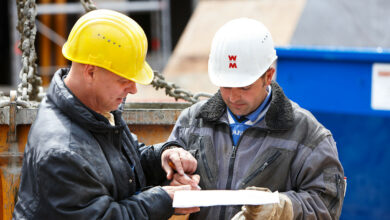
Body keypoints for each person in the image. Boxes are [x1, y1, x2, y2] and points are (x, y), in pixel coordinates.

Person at [13, 9, 200, 220]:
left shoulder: (96, 110)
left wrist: (163, 156)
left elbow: (123, 164)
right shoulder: (62, 152)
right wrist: (163, 200)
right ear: (91, 72)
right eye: (124, 80)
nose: (133, 89)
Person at [168, 18, 345, 219]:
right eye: (225, 85)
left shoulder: (307, 134)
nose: (233, 97)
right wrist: (172, 184)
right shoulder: (191, 122)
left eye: (244, 87)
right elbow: (156, 187)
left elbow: (326, 204)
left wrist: (282, 208)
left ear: (268, 76)